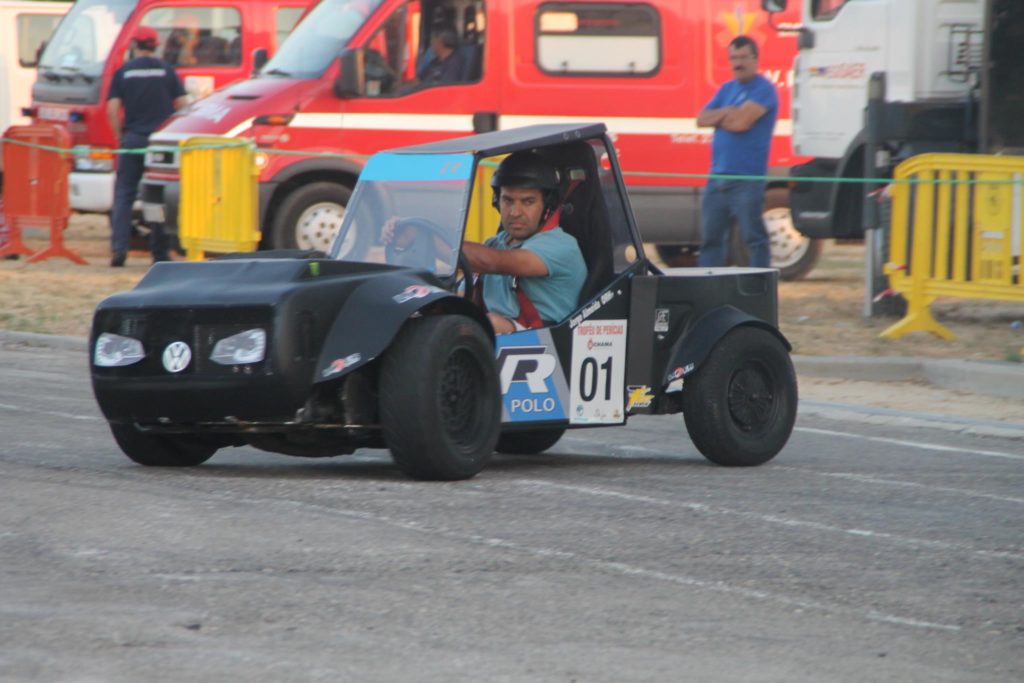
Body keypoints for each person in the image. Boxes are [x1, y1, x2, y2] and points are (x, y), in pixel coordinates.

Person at [462, 152, 587, 333]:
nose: (515, 212)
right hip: (500, 342)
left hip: (548, 342)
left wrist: (441, 244)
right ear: (497, 201)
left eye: (528, 202)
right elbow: (460, 296)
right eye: (508, 200)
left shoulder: (561, 246)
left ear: (547, 205)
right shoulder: (494, 244)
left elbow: (494, 262)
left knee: (490, 324)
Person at [106, 26, 188, 267]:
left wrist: (120, 136)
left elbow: (112, 108)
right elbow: (184, 105)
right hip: (160, 143)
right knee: (156, 198)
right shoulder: (167, 71)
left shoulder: (124, 72)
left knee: (123, 196)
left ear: (134, 45)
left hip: (133, 140)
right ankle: (160, 253)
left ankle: (119, 249)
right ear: (156, 45)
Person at [696, 35, 778, 269]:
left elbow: (741, 123)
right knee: (711, 241)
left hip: (747, 179)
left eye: (743, 57)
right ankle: (708, 287)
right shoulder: (726, 89)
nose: (738, 63)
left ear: (755, 59)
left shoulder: (764, 90)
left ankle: (760, 288)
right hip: (717, 178)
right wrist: (729, 111)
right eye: (733, 58)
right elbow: (701, 119)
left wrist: (721, 116)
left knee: (753, 239)